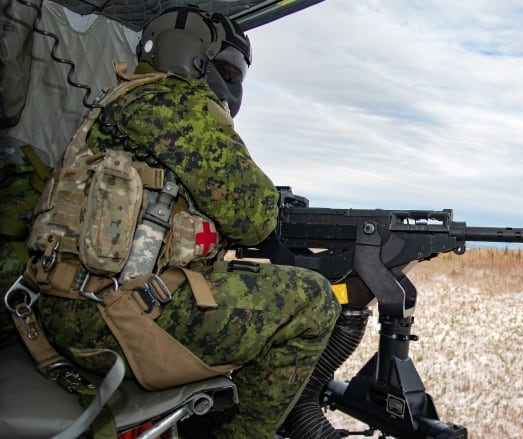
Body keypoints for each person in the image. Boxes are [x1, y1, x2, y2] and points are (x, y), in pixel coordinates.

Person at [29, 7, 341, 438]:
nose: (231, 90)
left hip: (62, 307)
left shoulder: (124, 100)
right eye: (227, 73)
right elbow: (253, 216)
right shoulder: (175, 101)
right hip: (108, 319)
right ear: (192, 57)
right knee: (312, 302)